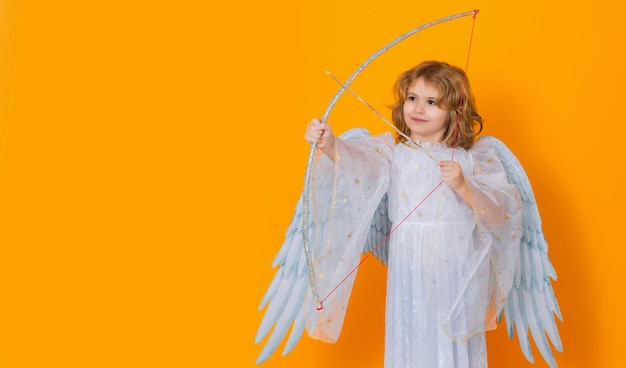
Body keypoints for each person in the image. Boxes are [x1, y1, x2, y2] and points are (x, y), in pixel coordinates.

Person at [303, 60, 523, 367]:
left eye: (432, 102)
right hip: (408, 269)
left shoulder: (470, 161)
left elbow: (501, 214)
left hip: (452, 270)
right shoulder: (395, 154)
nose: (418, 108)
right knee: (411, 330)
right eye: (412, 98)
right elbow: (359, 165)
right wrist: (329, 143)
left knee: (450, 339)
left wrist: (463, 184)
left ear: (454, 112)